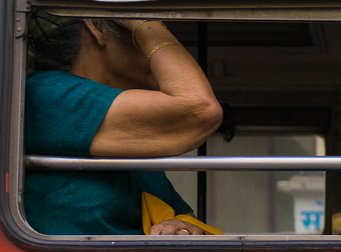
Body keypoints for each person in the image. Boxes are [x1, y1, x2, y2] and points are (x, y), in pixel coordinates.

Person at [24, 13, 223, 236]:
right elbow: (199, 110)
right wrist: (146, 25)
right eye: (155, 27)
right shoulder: (47, 93)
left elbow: (179, 218)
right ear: (97, 27)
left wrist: (185, 228)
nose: (169, 55)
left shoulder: (130, 142)